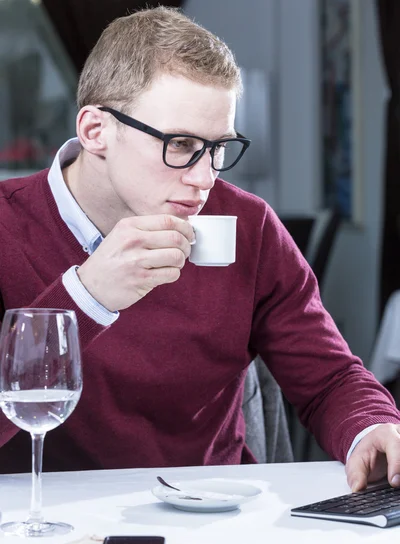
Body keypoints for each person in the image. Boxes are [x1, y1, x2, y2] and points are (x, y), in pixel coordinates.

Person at [0, 7, 399, 491]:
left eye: (218, 148)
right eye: (181, 143)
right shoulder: (8, 226)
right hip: (44, 529)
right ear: (95, 131)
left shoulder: (249, 226)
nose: (204, 177)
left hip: (212, 518)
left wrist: (371, 427)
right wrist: (88, 297)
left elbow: (330, 378)